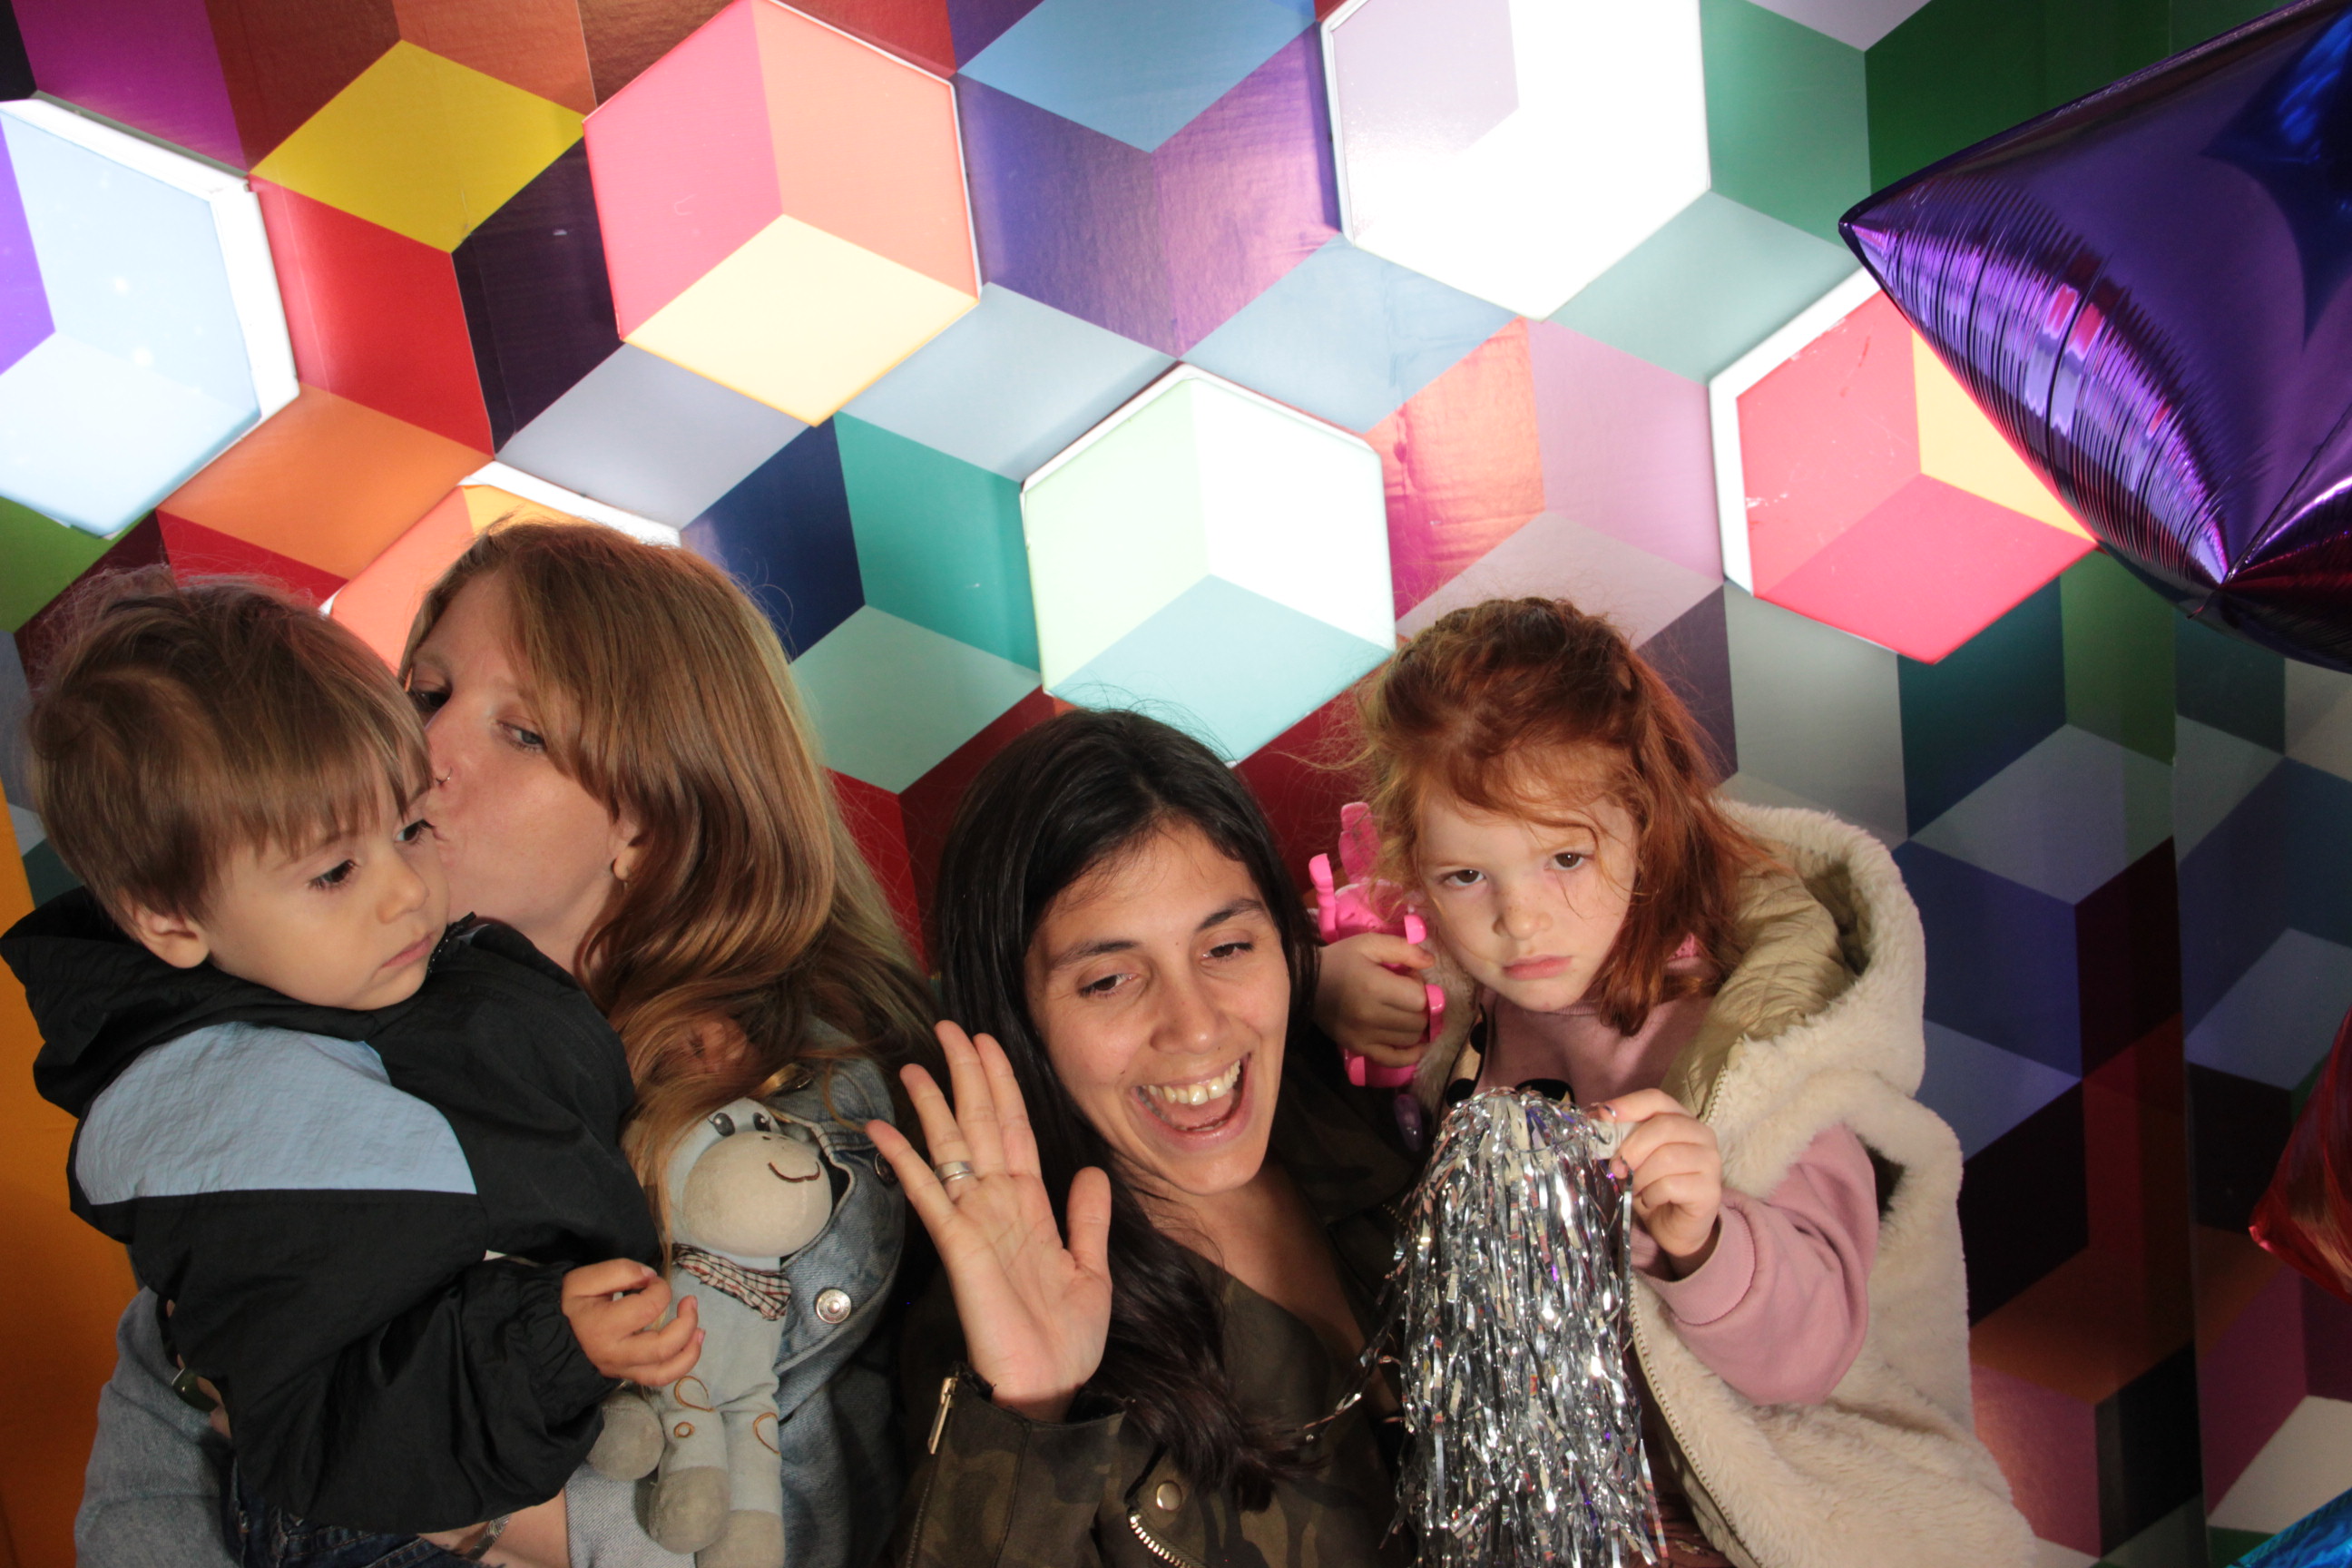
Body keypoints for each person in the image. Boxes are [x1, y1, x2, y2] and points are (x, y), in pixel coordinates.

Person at [67, 523, 934, 1568]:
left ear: (647, 823)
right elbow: (168, 1402)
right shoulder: (305, 1031)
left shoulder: (794, 1121)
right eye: (424, 694)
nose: (424, 755)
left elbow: (799, 1523)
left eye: (521, 732)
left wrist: (430, 1501)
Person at [1314, 597, 2034, 1568]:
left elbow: (1812, 1354)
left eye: (1566, 857)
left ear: (1648, 827)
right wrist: (1325, 985)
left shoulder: (1755, 1038)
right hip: (1532, 1504)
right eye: (1465, 878)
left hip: (1752, 1507)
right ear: (1412, 866)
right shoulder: (1453, 1005)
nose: (1521, 920)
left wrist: (1705, 1242)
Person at [3, 573, 693, 1567]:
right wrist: (544, 1346)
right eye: (333, 872)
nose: (405, 890)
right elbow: (319, 1425)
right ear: (170, 918)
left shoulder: (394, 988)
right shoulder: (245, 1132)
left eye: (408, 829)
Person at [867, 708, 1418, 1568]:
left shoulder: (1394, 1116)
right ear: (1018, 1018)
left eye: (1227, 946)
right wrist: (1026, 1416)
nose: (1195, 1027)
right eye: (1109, 981)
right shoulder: (993, 1322)